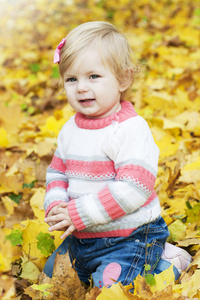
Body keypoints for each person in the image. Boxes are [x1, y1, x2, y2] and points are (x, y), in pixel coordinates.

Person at [43, 21, 191, 288]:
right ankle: (150, 259)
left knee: (110, 289)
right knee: (53, 277)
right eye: (71, 79)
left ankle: (167, 264)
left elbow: (134, 187)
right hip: (83, 236)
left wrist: (78, 212)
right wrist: (56, 204)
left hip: (130, 235)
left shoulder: (129, 130)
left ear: (123, 79)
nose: (81, 88)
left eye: (94, 77)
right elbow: (57, 171)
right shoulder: (70, 130)